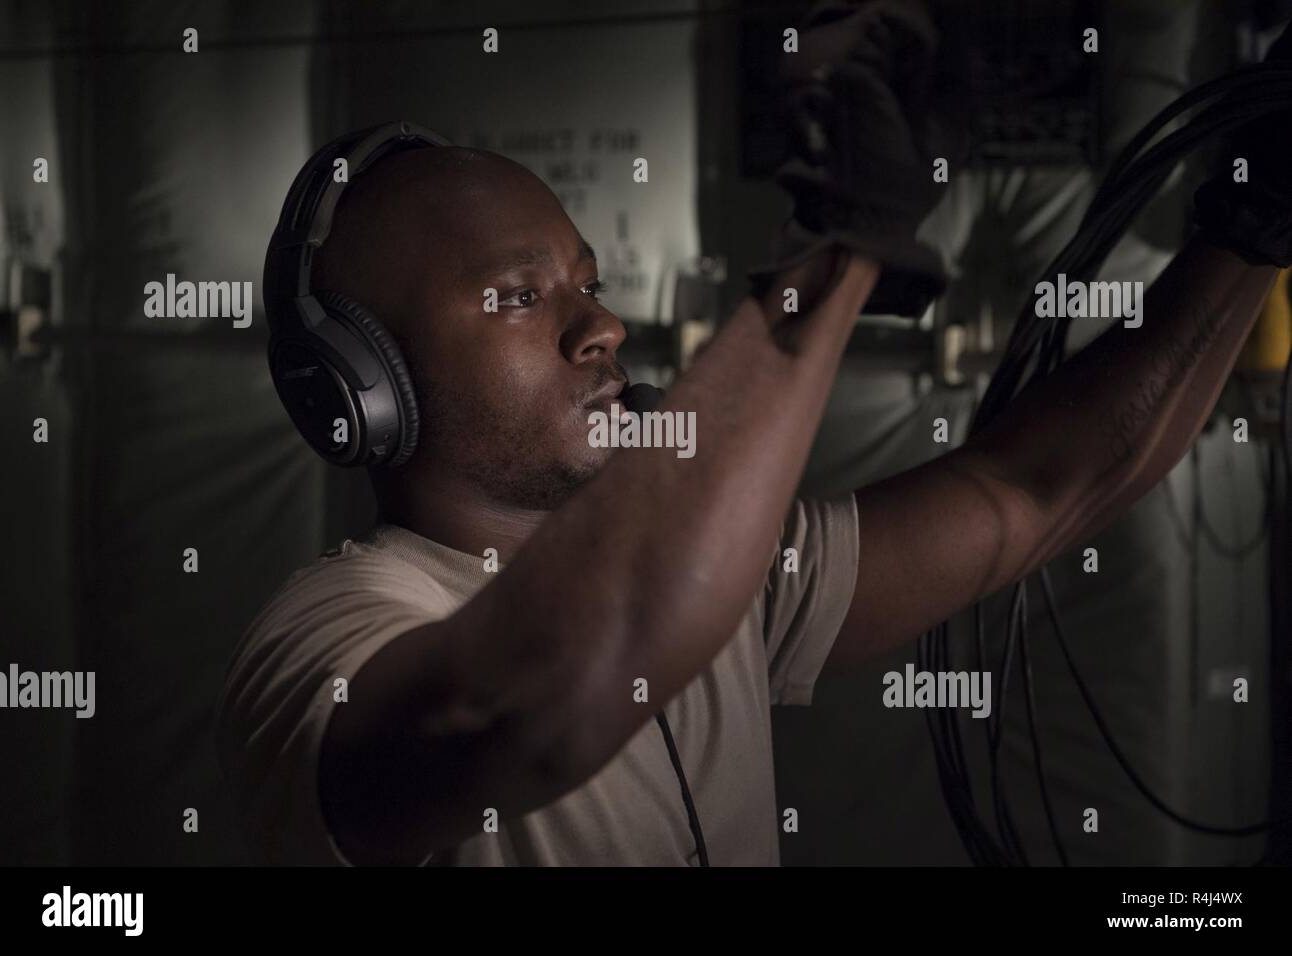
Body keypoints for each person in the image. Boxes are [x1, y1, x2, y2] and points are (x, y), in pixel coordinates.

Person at [214, 5, 1290, 866]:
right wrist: (832, 254)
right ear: (365, 378)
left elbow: (1039, 488)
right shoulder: (326, 637)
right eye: (516, 295)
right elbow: (518, 701)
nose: (600, 326)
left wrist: (1247, 235)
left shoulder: (729, 578)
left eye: (586, 281)